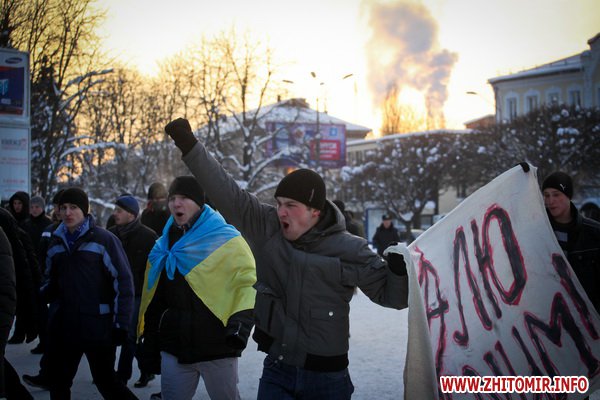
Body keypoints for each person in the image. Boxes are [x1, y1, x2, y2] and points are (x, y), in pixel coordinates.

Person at [165, 118, 409, 399]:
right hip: (277, 370)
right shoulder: (267, 228)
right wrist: (190, 146)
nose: (281, 211)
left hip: (327, 378)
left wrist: (398, 272)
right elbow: (226, 191)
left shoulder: (350, 248)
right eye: (279, 203)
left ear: (315, 211)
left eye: (291, 205)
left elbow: (393, 297)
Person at [137, 176, 256, 400]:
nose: (176, 203)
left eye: (184, 198)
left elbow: (247, 285)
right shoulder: (163, 246)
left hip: (217, 347)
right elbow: (155, 300)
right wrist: (149, 341)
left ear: (200, 203)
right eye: (172, 198)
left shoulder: (226, 239)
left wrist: (239, 327)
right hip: (175, 347)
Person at [42, 187, 138, 400]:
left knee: (106, 382)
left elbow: (123, 282)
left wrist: (121, 324)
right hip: (66, 326)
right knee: (59, 383)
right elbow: (49, 280)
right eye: (63, 207)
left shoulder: (103, 239)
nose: (67, 212)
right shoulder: (56, 242)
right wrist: (43, 296)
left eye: (73, 207)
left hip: (97, 326)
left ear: (84, 211)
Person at [108, 195, 158, 388]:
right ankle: (108, 372)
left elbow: (154, 268)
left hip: (137, 293)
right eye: (115, 210)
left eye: (119, 211)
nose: (115, 214)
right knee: (110, 332)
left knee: (130, 334)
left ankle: (122, 377)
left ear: (132, 214)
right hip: (113, 291)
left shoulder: (148, 236)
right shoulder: (110, 234)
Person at [542, 171, 600, 313]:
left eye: (556, 194)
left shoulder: (594, 233)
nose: (550, 201)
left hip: (588, 318)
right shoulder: (538, 230)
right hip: (547, 316)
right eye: (546, 195)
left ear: (568, 196)